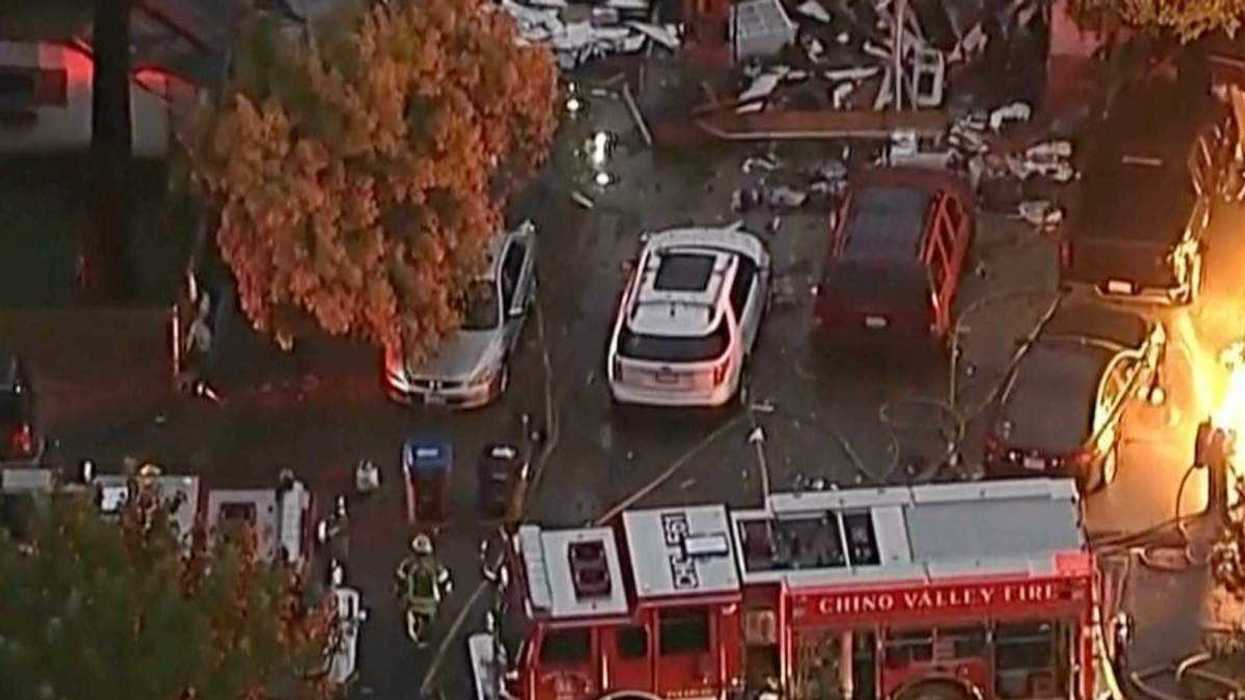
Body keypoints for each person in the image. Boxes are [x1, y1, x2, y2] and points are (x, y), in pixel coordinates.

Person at [395, 534, 453, 645]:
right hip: (430, 602)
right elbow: (443, 576)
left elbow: (400, 577)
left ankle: (414, 632)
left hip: (414, 600)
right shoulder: (435, 564)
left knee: (409, 613)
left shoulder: (408, 563)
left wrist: (400, 592)